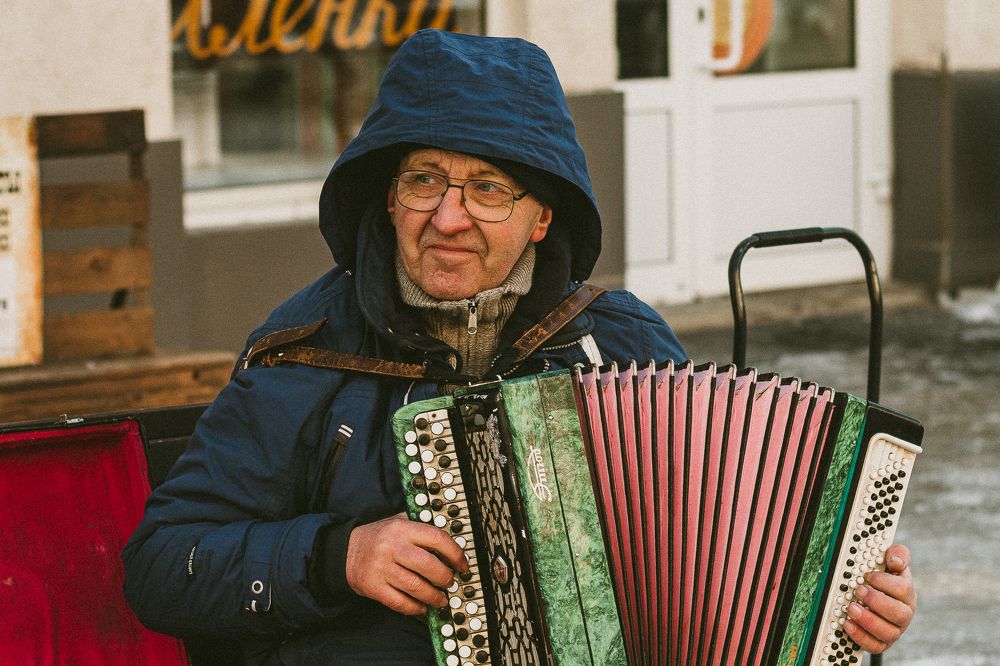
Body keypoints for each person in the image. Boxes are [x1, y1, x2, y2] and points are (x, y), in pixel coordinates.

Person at [123, 29, 916, 664]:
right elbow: (162, 565)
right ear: (388, 198)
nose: (448, 217)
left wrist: (846, 604)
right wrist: (340, 557)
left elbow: (732, 553)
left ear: (542, 217)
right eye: (424, 179)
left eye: (489, 189)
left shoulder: (620, 342)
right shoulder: (308, 350)